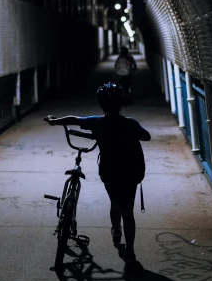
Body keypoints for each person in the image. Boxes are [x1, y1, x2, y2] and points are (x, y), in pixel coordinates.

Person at [45, 82, 150, 266]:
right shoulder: (130, 123)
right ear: (122, 103)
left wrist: (55, 121)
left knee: (115, 202)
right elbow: (146, 136)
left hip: (109, 173)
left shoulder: (97, 122)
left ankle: (116, 230)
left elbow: (75, 119)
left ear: (101, 105)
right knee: (128, 210)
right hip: (130, 173)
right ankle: (130, 253)